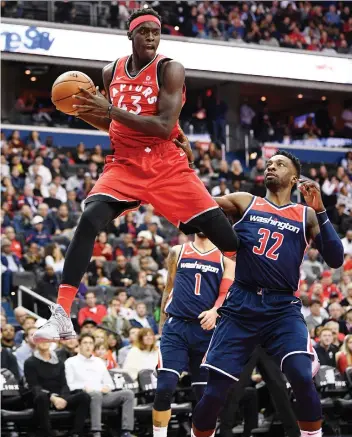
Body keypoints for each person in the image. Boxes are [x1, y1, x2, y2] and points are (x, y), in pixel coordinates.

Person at [33, 7, 240, 344]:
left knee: (229, 242)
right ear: (130, 34)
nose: (150, 37)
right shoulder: (110, 71)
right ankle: (60, 316)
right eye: (143, 31)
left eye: (155, 31)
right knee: (88, 220)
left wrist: (114, 111)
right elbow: (113, 121)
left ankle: (254, 301)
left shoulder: (170, 69)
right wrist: (88, 112)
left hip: (166, 165)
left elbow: (160, 126)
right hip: (125, 164)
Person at [188, 150, 344, 437]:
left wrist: (321, 210)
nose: (271, 166)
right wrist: (186, 168)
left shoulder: (305, 214)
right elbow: (201, 203)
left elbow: (335, 259)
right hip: (241, 305)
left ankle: (313, 434)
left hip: (281, 307)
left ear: (294, 178)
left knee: (299, 373)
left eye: (280, 164)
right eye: (269, 164)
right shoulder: (245, 201)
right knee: (214, 393)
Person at [152, 233, 235, 437]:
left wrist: (216, 310)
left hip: (206, 331)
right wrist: (162, 325)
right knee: (165, 387)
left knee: (206, 397)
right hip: (177, 327)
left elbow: (226, 294)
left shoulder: (225, 259)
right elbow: (168, 288)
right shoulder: (177, 251)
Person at [65, 333, 134, 437]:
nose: (88, 346)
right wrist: (83, 388)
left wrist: (107, 387)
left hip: (103, 395)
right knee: (95, 394)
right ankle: (96, 432)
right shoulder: (70, 362)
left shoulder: (99, 362)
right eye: (85, 343)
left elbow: (110, 383)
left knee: (128, 394)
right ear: (79, 345)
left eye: (90, 343)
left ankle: (126, 431)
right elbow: (69, 384)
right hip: (85, 396)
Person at [24, 340, 90, 437]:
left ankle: (76, 433)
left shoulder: (59, 362)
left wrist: (63, 398)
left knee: (84, 396)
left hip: (60, 397)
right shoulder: (30, 362)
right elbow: (34, 386)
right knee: (42, 397)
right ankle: (47, 433)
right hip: (43, 397)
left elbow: (64, 384)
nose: (44, 341)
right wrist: (52, 398)